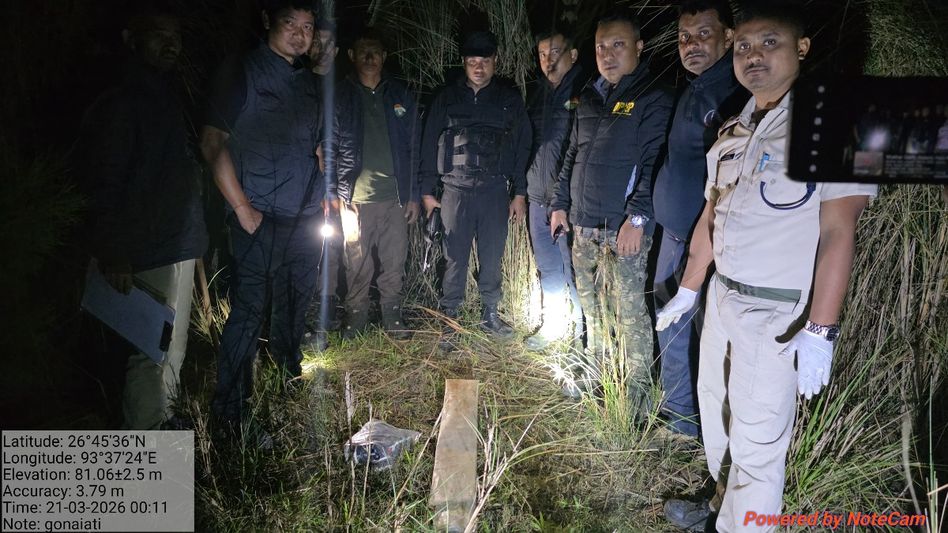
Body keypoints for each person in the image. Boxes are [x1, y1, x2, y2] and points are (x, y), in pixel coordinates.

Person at [658, 5, 877, 531]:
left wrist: (821, 329)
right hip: (723, 298)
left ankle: (746, 524)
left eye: (769, 43)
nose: (753, 56)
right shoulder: (737, 122)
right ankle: (719, 506)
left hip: (777, 314)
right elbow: (714, 211)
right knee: (717, 414)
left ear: (801, 48)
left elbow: (838, 230)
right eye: (744, 47)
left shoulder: (836, 118)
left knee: (758, 445)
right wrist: (689, 289)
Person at [201, 0, 325, 441]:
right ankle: (231, 412)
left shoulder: (308, 82)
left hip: (305, 216)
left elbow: (314, 145)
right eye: (290, 23)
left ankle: (287, 372)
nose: (299, 34)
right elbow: (213, 143)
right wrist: (241, 208)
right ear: (268, 23)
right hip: (259, 216)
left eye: (308, 26)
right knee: (250, 310)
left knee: (295, 300)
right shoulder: (243, 71)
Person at [79, 11, 207, 430]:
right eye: (159, 35)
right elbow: (104, 178)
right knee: (151, 352)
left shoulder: (167, 95)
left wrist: (195, 243)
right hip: (148, 249)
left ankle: (162, 436)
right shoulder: (123, 100)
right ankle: (147, 450)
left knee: (173, 352)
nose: (171, 44)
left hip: (178, 243)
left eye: (175, 36)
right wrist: (113, 249)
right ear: (131, 37)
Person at [549, 11, 673, 405]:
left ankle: (637, 393)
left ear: (638, 46)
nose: (607, 54)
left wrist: (638, 218)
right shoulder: (588, 94)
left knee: (631, 313)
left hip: (622, 228)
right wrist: (559, 205)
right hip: (583, 224)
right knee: (592, 308)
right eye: (601, 46)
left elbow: (655, 159)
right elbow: (572, 152)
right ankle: (596, 372)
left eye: (618, 45)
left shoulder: (653, 94)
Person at [651, 0, 746, 438]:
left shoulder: (734, 92)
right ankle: (680, 416)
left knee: (703, 336)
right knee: (674, 326)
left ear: (729, 37)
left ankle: (698, 427)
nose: (691, 45)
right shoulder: (695, 85)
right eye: (684, 37)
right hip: (674, 231)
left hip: (705, 241)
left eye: (703, 34)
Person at [419, 31, 532, 344]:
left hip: (495, 191)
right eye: (472, 62)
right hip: (454, 191)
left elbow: (523, 146)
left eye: (484, 61)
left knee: (492, 255)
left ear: (495, 61)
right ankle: (450, 319)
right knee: (454, 257)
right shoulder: (446, 97)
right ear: (464, 63)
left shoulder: (509, 99)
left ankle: (490, 314)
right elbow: (429, 143)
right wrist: (428, 193)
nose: (478, 67)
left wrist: (519, 192)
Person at [333, 28, 420, 339]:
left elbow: (414, 146)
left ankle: (392, 316)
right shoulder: (340, 96)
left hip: (395, 198)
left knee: (395, 260)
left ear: (384, 57)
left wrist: (413, 194)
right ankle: (355, 317)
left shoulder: (400, 95)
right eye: (363, 51)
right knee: (355, 261)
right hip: (353, 198)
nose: (370, 57)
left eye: (376, 52)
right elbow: (328, 146)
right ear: (352, 56)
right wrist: (332, 192)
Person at [522, 30, 585, 352]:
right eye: (543, 54)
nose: (548, 60)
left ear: (573, 55)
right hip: (536, 197)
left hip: (568, 202)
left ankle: (581, 335)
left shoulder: (586, 91)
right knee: (548, 266)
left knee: (572, 269)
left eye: (556, 52)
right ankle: (554, 324)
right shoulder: (537, 94)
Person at [301, 17, 342, 353]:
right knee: (299, 256)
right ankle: (298, 319)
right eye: (318, 42)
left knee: (328, 252)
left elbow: (341, 145)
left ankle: (322, 320)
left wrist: (334, 192)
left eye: (329, 44)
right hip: (294, 192)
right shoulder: (296, 82)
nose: (322, 50)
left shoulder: (340, 90)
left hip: (327, 191)